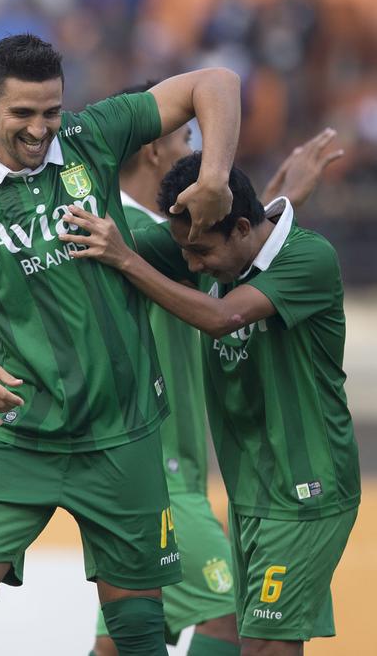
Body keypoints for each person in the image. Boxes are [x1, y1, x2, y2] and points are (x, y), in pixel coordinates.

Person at [0, 33, 240, 656]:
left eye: (51, 111)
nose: (39, 129)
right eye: (23, 113)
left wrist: (214, 175)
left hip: (122, 432)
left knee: (137, 631)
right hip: (19, 430)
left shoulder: (93, 135)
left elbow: (214, 82)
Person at [60, 154, 360, 656]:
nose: (192, 265)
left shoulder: (310, 257)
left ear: (240, 227)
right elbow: (104, 246)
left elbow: (224, 318)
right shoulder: (211, 241)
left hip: (306, 487)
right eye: (185, 251)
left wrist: (127, 260)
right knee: (251, 640)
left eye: (199, 252)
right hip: (251, 490)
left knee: (261, 643)